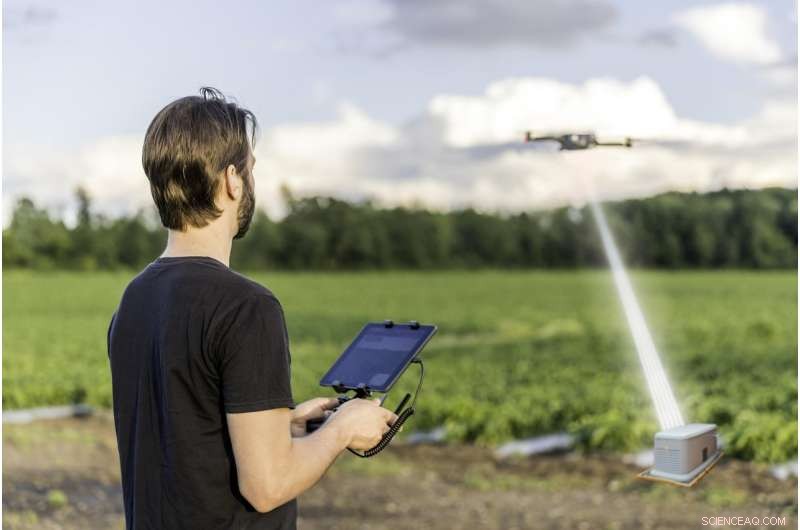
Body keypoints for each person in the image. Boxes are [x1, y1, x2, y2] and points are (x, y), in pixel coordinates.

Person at [107, 87, 397, 530]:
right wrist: (342, 429)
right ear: (232, 180)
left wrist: (287, 426)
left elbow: (186, 440)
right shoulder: (247, 307)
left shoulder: (134, 299)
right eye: (250, 169)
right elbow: (266, 486)